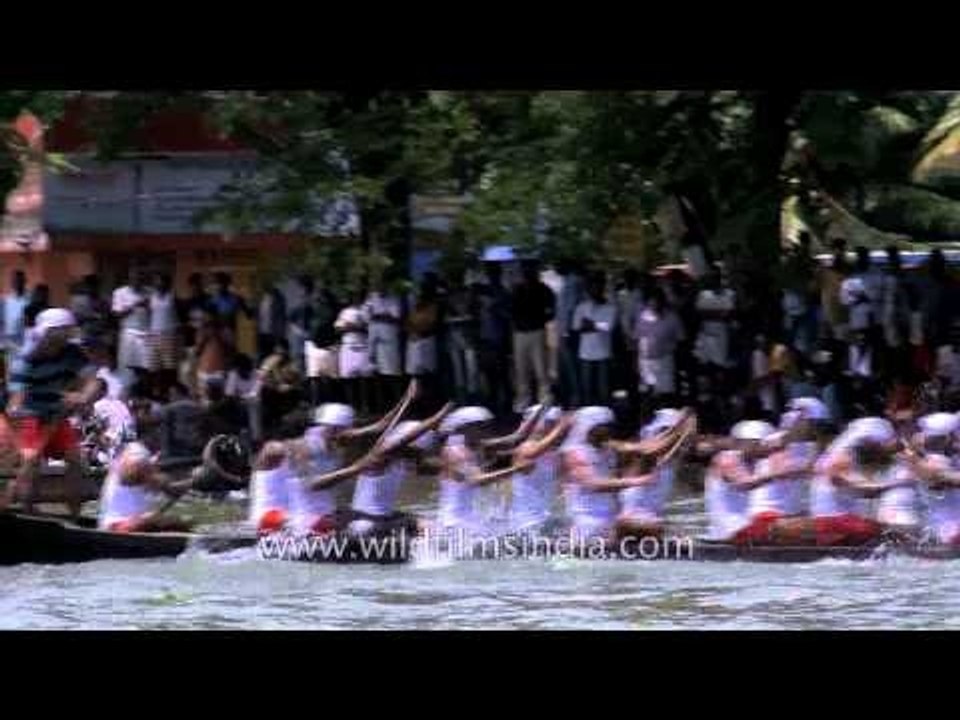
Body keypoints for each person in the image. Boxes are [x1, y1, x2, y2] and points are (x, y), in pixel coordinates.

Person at [3, 309, 99, 517]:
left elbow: (94, 381)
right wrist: (19, 414)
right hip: (31, 417)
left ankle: (75, 516)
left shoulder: (72, 352)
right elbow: (16, 402)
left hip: (57, 415)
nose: (70, 335)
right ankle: (27, 513)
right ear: (51, 332)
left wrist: (83, 396)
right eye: (66, 331)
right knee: (32, 461)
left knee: (75, 460)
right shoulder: (26, 359)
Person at [559, 406, 655, 544]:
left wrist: (678, 433)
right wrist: (636, 481)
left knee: (653, 528)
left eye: (610, 425)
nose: (610, 430)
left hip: (611, 519)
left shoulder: (608, 446)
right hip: (587, 521)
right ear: (590, 426)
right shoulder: (574, 453)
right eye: (605, 426)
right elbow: (593, 485)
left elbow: (645, 448)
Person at [97, 442, 192, 533]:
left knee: (180, 523)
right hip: (116, 526)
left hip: (138, 525)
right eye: (145, 464)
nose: (149, 468)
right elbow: (136, 471)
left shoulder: (143, 473)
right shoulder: (126, 471)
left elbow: (171, 490)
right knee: (152, 518)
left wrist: (187, 485)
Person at [510, 260, 555, 412]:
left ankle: (545, 400)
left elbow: (552, 310)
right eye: (525, 270)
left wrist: (542, 319)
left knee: (541, 369)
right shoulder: (517, 289)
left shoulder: (543, 289)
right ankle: (523, 402)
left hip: (537, 331)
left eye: (530, 269)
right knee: (521, 370)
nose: (527, 272)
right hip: (519, 334)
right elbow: (510, 310)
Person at [572, 273, 617, 407]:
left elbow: (609, 327)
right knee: (587, 391)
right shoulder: (581, 307)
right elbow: (576, 328)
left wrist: (590, 325)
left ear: (603, 287)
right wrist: (597, 325)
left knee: (604, 392)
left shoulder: (611, 307)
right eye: (591, 286)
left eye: (598, 286)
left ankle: (605, 420)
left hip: (603, 354)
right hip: (585, 354)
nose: (594, 289)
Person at [635, 285, 684, 401]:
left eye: (657, 300)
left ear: (662, 301)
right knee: (647, 395)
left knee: (665, 397)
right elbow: (637, 338)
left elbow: (681, 339)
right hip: (645, 361)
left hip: (665, 361)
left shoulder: (672, 318)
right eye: (651, 300)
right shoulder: (642, 316)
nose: (654, 303)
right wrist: (636, 362)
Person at [476, 263, 513, 415]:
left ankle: (505, 406)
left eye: (493, 273)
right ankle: (492, 406)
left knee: (501, 375)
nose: (491, 276)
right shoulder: (483, 292)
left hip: (498, 339)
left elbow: (509, 316)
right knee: (489, 374)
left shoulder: (503, 293)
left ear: (498, 274)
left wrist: (497, 309)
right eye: (489, 273)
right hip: (485, 339)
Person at [363, 279, 405, 411]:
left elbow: (396, 316)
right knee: (375, 374)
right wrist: (379, 315)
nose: (379, 289)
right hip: (373, 341)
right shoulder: (371, 299)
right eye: (376, 286)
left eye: (381, 286)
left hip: (389, 341)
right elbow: (366, 317)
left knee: (392, 375)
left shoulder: (393, 299)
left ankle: (399, 404)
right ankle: (381, 406)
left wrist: (378, 316)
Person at [335, 290, 372, 413]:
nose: (355, 299)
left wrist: (352, 326)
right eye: (353, 297)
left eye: (358, 297)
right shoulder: (344, 312)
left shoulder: (365, 310)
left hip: (362, 346)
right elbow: (338, 328)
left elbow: (368, 327)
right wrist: (350, 326)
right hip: (348, 346)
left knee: (364, 379)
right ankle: (351, 406)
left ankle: (365, 406)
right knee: (348, 378)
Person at [554, 259, 584, 408]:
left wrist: (567, 332)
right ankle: (568, 398)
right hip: (563, 331)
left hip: (569, 332)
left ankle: (575, 399)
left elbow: (571, 309)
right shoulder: (566, 281)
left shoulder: (573, 282)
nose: (555, 267)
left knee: (571, 367)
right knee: (565, 368)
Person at [112, 270, 151, 373]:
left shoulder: (149, 292)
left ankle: (143, 387)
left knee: (146, 367)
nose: (137, 281)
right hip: (128, 334)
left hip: (146, 334)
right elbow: (117, 314)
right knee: (128, 367)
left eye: (140, 279)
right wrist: (134, 306)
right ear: (129, 279)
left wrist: (148, 307)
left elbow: (156, 313)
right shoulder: (119, 292)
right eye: (134, 278)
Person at [148, 273, 179, 384]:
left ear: (167, 283)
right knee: (154, 366)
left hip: (169, 334)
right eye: (157, 281)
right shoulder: (152, 297)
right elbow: (149, 315)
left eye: (161, 281)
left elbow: (180, 315)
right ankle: (157, 390)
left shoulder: (172, 296)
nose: (159, 284)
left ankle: (170, 389)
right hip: (154, 334)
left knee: (169, 366)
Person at [210, 272, 253, 348]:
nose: (219, 286)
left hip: (231, 333)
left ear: (227, 284)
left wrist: (248, 306)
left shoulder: (236, 298)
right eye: (217, 283)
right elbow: (211, 318)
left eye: (221, 283)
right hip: (217, 333)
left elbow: (249, 314)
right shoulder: (213, 300)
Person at [1, 270, 30, 377]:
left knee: (25, 373)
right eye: (14, 280)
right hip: (9, 343)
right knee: (11, 375)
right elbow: (1, 322)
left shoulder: (30, 300)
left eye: (19, 280)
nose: (17, 282)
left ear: (24, 281)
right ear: (11, 283)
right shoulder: (5, 300)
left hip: (27, 341)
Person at [257, 283, 288, 364]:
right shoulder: (261, 298)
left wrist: (281, 335)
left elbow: (282, 318)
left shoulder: (279, 298)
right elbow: (259, 315)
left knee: (274, 357)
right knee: (263, 357)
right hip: (262, 333)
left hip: (274, 334)